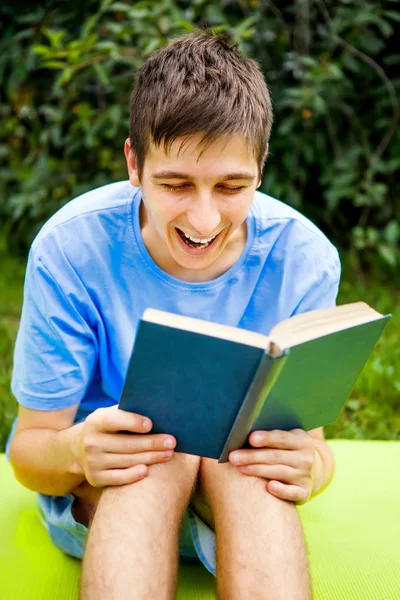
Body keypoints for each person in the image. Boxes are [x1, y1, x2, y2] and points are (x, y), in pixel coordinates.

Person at [6, 30, 339, 599]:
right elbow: (31, 451)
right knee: (160, 455)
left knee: (247, 463)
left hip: (237, 503)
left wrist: (314, 470)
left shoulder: (304, 260)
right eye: (176, 184)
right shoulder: (70, 248)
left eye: (232, 186)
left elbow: (310, 444)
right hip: (107, 491)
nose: (205, 219)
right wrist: (78, 449)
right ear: (134, 164)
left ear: (260, 167)